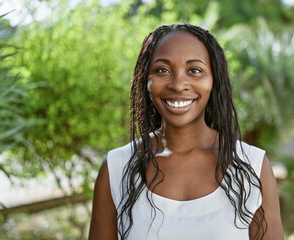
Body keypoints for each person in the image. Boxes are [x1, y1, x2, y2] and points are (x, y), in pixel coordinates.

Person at [89, 23, 283, 240]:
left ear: (214, 80)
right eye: (162, 70)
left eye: (194, 70)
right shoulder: (116, 168)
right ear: (146, 81)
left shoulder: (252, 166)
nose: (178, 84)